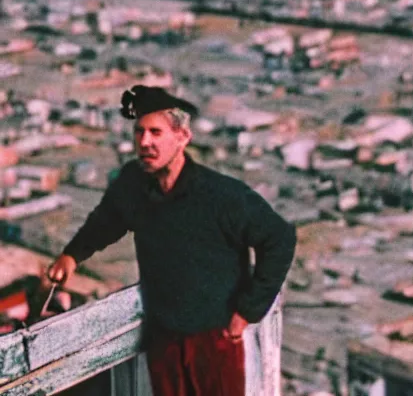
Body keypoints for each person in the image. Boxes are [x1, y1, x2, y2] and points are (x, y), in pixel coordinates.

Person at [48, 85, 297, 396]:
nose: (145, 142)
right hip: (163, 338)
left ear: (183, 138)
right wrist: (72, 255)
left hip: (214, 340)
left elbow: (279, 238)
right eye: (139, 132)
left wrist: (248, 311)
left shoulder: (220, 196)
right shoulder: (134, 184)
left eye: (156, 132)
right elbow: (107, 221)